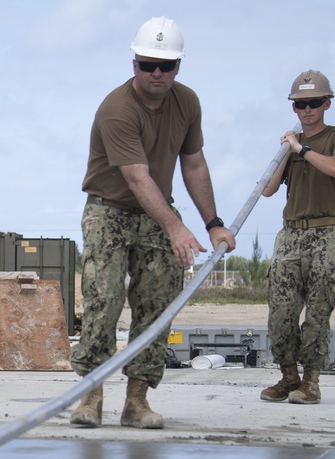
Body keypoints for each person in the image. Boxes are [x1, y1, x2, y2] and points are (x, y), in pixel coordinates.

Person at [69, 16, 236, 428]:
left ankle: (137, 401)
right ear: (134, 64)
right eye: (148, 64)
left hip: (157, 212)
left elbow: (193, 163)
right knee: (103, 303)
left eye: (166, 65)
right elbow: (136, 176)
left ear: (178, 66)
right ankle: (91, 395)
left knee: (157, 305)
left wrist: (212, 222)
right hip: (109, 211)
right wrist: (176, 228)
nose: (156, 73)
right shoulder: (116, 109)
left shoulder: (188, 102)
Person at [260, 70, 335, 405]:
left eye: (314, 102)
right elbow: (268, 190)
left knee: (317, 313)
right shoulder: (293, 147)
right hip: (291, 236)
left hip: (327, 235)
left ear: (327, 103)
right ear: (294, 108)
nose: (308, 109)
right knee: (280, 313)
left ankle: (311, 382)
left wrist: (302, 149)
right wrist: (288, 150)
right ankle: (289, 377)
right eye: (301, 104)